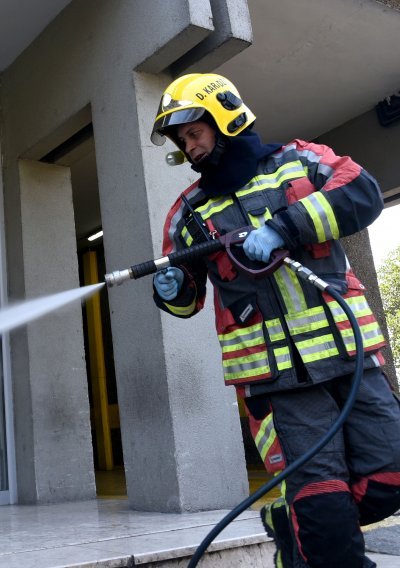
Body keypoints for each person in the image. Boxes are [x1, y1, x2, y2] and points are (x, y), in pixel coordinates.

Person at [149, 72, 400, 567]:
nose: (190, 146)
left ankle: (292, 525)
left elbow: (363, 193)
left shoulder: (299, 161)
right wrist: (172, 290)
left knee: (391, 477)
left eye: (194, 132)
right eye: (183, 140)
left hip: (352, 364)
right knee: (324, 511)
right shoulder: (188, 214)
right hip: (279, 386)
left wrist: (286, 227)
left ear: (224, 114)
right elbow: (187, 301)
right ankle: (313, 531)